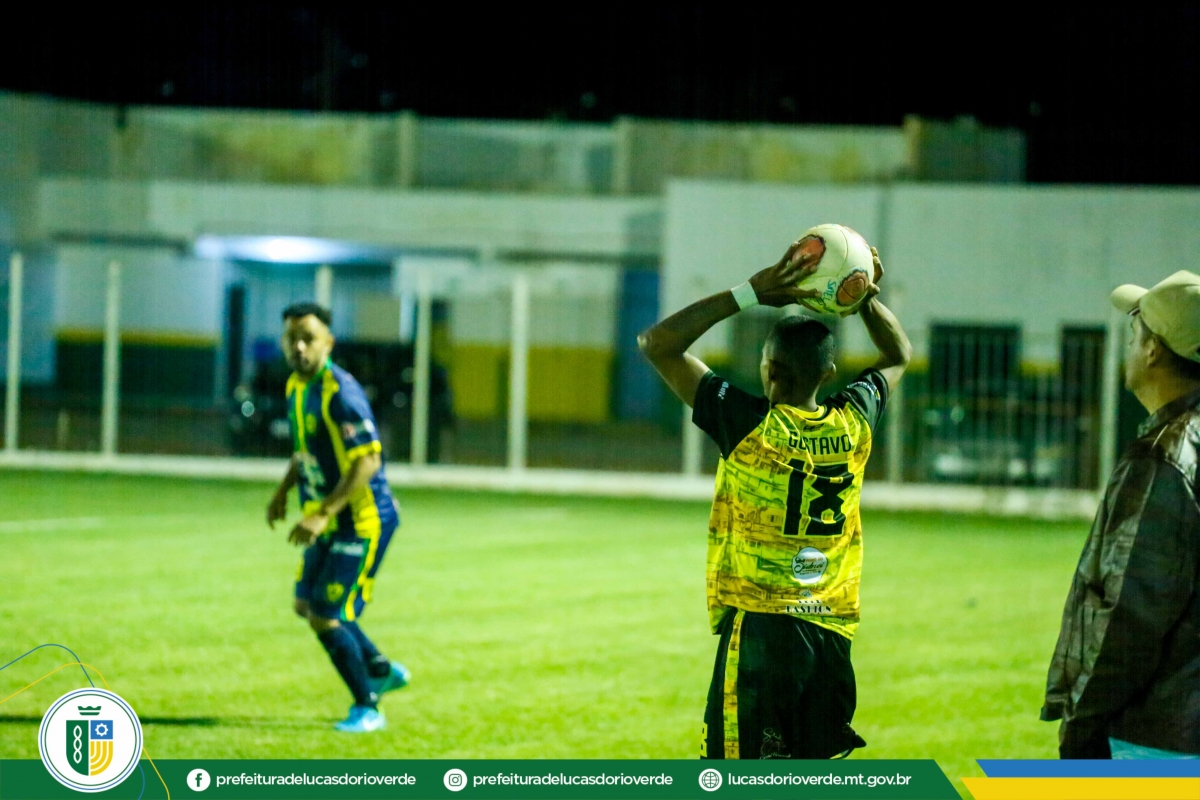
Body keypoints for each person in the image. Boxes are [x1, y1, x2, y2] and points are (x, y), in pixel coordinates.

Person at [638, 237, 911, 759]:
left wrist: (750, 293)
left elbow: (657, 344)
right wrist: (863, 298)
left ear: (768, 369)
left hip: (763, 632)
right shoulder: (854, 421)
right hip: (831, 630)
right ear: (828, 373)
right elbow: (899, 355)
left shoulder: (747, 426)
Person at [1043, 270, 1200, 759]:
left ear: (1153, 350)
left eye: (1135, 334)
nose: (1129, 347)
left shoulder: (1163, 458)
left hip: (1154, 736)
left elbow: (1130, 616)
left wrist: (1082, 725)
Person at [266, 302, 410, 733]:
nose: (300, 347)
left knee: (325, 613)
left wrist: (323, 513)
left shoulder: (341, 394)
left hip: (362, 521)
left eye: (308, 338)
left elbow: (368, 461)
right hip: (328, 519)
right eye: (292, 338)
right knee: (306, 604)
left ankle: (368, 706)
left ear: (328, 342)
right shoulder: (296, 387)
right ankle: (379, 668)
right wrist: (283, 491)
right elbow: (304, 450)